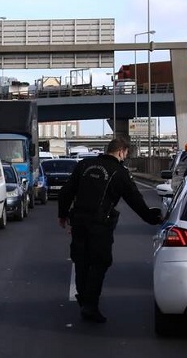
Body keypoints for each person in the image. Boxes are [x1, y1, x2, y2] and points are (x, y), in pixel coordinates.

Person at [57, 136, 161, 324]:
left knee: (81, 260)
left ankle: (84, 297)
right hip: (100, 225)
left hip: (78, 221)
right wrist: (151, 218)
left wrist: (62, 215)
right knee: (100, 262)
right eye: (126, 154)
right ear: (121, 151)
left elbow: (66, 192)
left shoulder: (84, 165)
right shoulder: (120, 172)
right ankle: (90, 304)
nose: (125, 157)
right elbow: (134, 199)